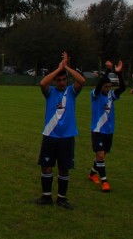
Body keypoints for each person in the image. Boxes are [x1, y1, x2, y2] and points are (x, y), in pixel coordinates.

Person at [34, 51, 85, 210]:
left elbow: (82, 80)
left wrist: (66, 67)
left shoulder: (71, 92)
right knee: (46, 166)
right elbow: (42, 83)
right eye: (59, 80)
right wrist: (58, 69)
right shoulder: (50, 93)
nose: (62, 82)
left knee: (64, 168)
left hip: (67, 137)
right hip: (50, 135)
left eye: (64, 80)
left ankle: (62, 199)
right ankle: (46, 197)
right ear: (55, 81)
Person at [88, 60, 125, 192]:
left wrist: (119, 74)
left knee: (101, 156)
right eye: (106, 86)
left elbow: (123, 88)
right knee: (101, 155)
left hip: (109, 130)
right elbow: (99, 85)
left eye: (109, 86)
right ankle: (104, 181)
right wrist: (108, 70)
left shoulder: (111, 95)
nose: (108, 89)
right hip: (97, 130)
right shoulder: (95, 95)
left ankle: (92, 173)